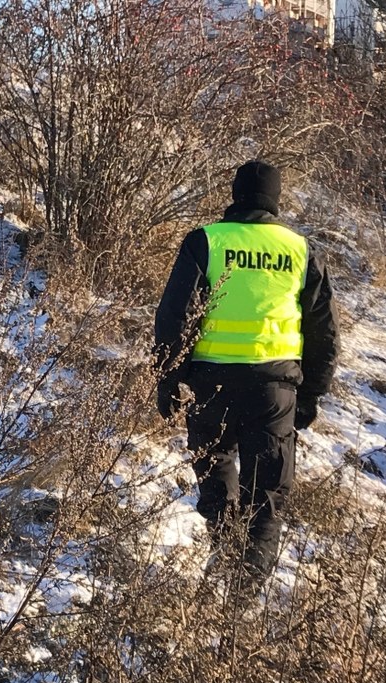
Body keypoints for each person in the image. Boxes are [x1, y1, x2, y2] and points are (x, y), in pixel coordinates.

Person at [154, 160, 339, 583]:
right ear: (276, 200)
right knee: (266, 499)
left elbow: (174, 316)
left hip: (212, 383)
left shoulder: (207, 241)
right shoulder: (300, 250)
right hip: (274, 390)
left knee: (215, 468)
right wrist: (311, 394)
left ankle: (223, 555)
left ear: (235, 195)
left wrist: (167, 378)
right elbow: (324, 331)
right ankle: (244, 594)